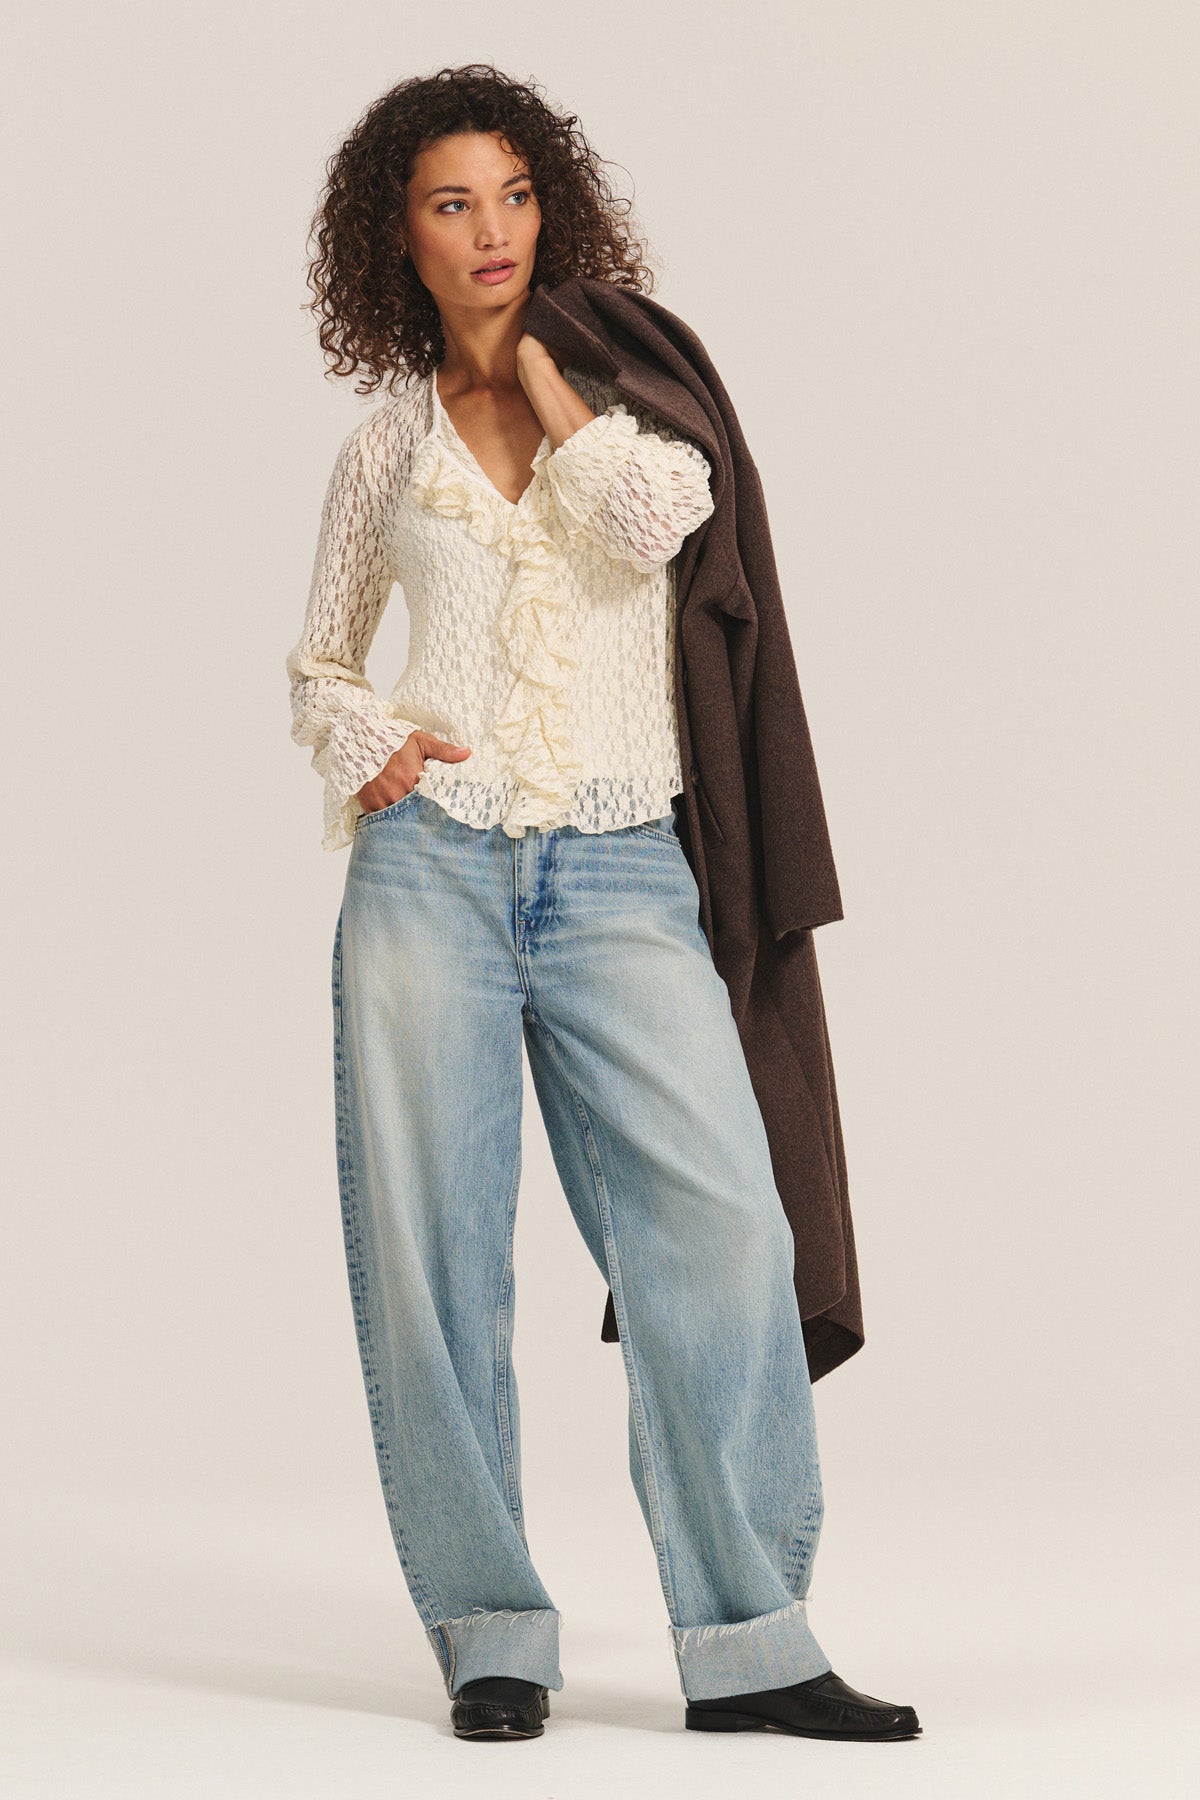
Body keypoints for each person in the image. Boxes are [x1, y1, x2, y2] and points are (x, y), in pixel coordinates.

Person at [286, 62, 920, 1746]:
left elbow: (662, 533)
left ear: (546, 205)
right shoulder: (382, 450)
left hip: (625, 864)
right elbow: (322, 657)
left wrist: (558, 399)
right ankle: (490, 1628)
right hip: (431, 870)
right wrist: (370, 746)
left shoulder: (629, 406)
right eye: (449, 203)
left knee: (723, 1226)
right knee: (430, 1257)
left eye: (511, 195)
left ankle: (755, 1642)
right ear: (395, 237)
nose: (490, 231)